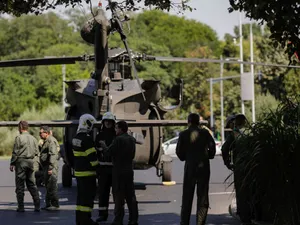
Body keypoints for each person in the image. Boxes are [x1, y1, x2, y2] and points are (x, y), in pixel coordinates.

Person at [176, 113, 216, 225]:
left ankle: (184, 222)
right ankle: (200, 222)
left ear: (188, 122)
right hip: (203, 167)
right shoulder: (205, 133)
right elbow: (212, 148)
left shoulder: (183, 134)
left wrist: (186, 157)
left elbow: (179, 152)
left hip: (190, 168)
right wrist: (208, 156)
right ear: (198, 122)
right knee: (202, 197)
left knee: (187, 197)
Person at [99, 120, 139, 225]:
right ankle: (133, 219)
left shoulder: (118, 140)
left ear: (120, 129)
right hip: (129, 171)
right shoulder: (131, 139)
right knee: (131, 196)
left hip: (118, 172)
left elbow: (108, 153)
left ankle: (118, 220)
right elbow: (133, 155)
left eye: (116, 128)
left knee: (119, 197)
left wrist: (103, 145)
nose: (115, 130)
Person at [72, 114, 100, 225]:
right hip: (88, 175)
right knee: (88, 199)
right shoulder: (87, 139)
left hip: (79, 173)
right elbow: (92, 159)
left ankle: (79, 219)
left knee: (80, 198)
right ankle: (86, 220)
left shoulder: (76, 138)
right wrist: (99, 169)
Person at [10, 120, 40, 212]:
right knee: (32, 184)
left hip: (21, 162)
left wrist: (12, 163)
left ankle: (21, 206)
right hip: (31, 162)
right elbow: (36, 152)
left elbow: (15, 152)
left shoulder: (19, 138)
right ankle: (37, 205)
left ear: (21, 128)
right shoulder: (33, 138)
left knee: (20, 185)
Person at [95, 112, 116, 222]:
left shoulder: (117, 136)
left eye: (110, 121)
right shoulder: (99, 136)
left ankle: (118, 214)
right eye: (106, 121)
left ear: (113, 123)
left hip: (114, 169)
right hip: (103, 169)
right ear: (103, 122)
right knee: (103, 193)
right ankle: (103, 214)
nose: (108, 123)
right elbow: (95, 152)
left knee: (117, 193)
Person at [39, 126, 60, 210]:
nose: (40, 134)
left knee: (52, 186)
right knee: (48, 186)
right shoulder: (46, 141)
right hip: (46, 167)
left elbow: (53, 154)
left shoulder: (51, 141)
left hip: (51, 167)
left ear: (46, 133)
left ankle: (55, 204)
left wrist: (50, 168)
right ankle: (48, 204)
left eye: (41, 133)